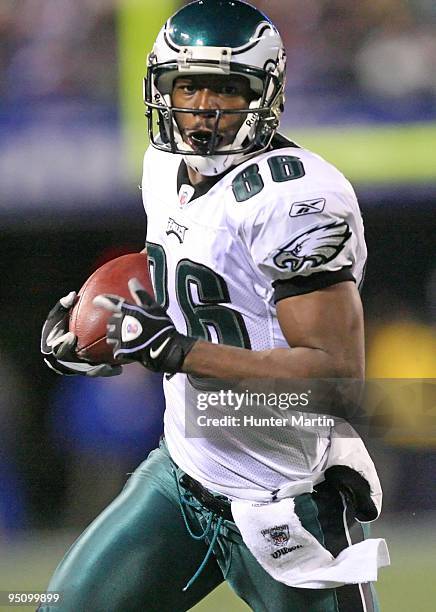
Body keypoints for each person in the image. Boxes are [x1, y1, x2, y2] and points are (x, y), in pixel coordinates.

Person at [40, 1, 388, 610]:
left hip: (287, 499)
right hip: (181, 480)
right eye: (188, 86)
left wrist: (177, 351)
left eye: (226, 89)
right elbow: (190, 283)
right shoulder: (163, 164)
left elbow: (336, 377)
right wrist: (100, 331)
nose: (203, 107)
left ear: (265, 93)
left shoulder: (297, 197)